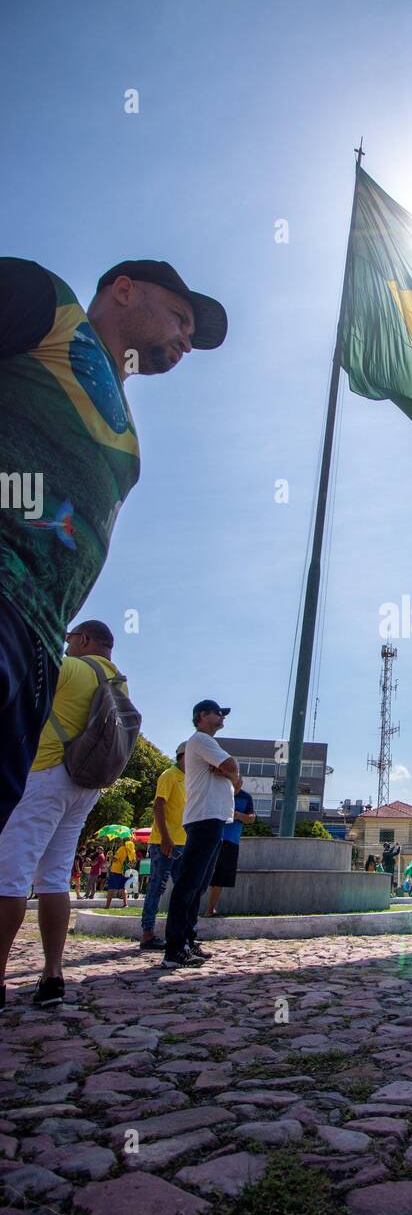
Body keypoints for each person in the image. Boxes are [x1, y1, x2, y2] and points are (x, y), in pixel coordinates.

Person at [0, 258, 227, 833]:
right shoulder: (49, 306)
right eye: (180, 318)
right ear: (124, 291)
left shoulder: (129, 435)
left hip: (42, 642)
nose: (186, 341)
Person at [0, 619, 126, 1009]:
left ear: (83, 639)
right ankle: (53, 975)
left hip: (46, 772)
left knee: (10, 875)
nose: (67, 644)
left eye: (71, 639)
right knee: (54, 877)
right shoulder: (119, 682)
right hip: (84, 783)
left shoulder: (68, 668)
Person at [162, 701, 238, 969]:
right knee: (188, 883)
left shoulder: (209, 745)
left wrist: (230, 773)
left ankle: (188, 938)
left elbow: (236, 782)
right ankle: (174, 948)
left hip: (215, 818)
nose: (222, 717)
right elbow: (232, 765)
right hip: (203, 818)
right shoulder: (201, 740)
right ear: (202, 716)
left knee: (200, 884)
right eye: (218, 713)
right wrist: (230, 771)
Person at [141, 743, 188, 949]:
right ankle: (147, 933)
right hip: (165, 842)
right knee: (157, 887)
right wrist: (165, 837)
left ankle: (180, 932)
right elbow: (158, 805)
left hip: (183, 841)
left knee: (183, 889)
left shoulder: (189, 779)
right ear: (182, 756)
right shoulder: (169, 775)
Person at [205, 776, 255, 917]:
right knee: (205, 873)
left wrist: (238, 815)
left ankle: (210, 909)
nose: (235, 785)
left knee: (220, 876)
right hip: (213, 838)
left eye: (238, 782)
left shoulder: (246, 798)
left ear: (241, 782)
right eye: (233, 782)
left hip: (231, 841)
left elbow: (251, 818)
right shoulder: (219, 793)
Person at [104, 836, 136, 909]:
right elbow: (133, 862)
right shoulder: (132, 851)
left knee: (111, 888)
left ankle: (107, 906)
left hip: (116, 871)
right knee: (123, 888)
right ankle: (125, 904)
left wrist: (111, 856)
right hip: (125, 872)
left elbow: (115, 859)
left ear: (123, 842)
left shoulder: (122, 849)